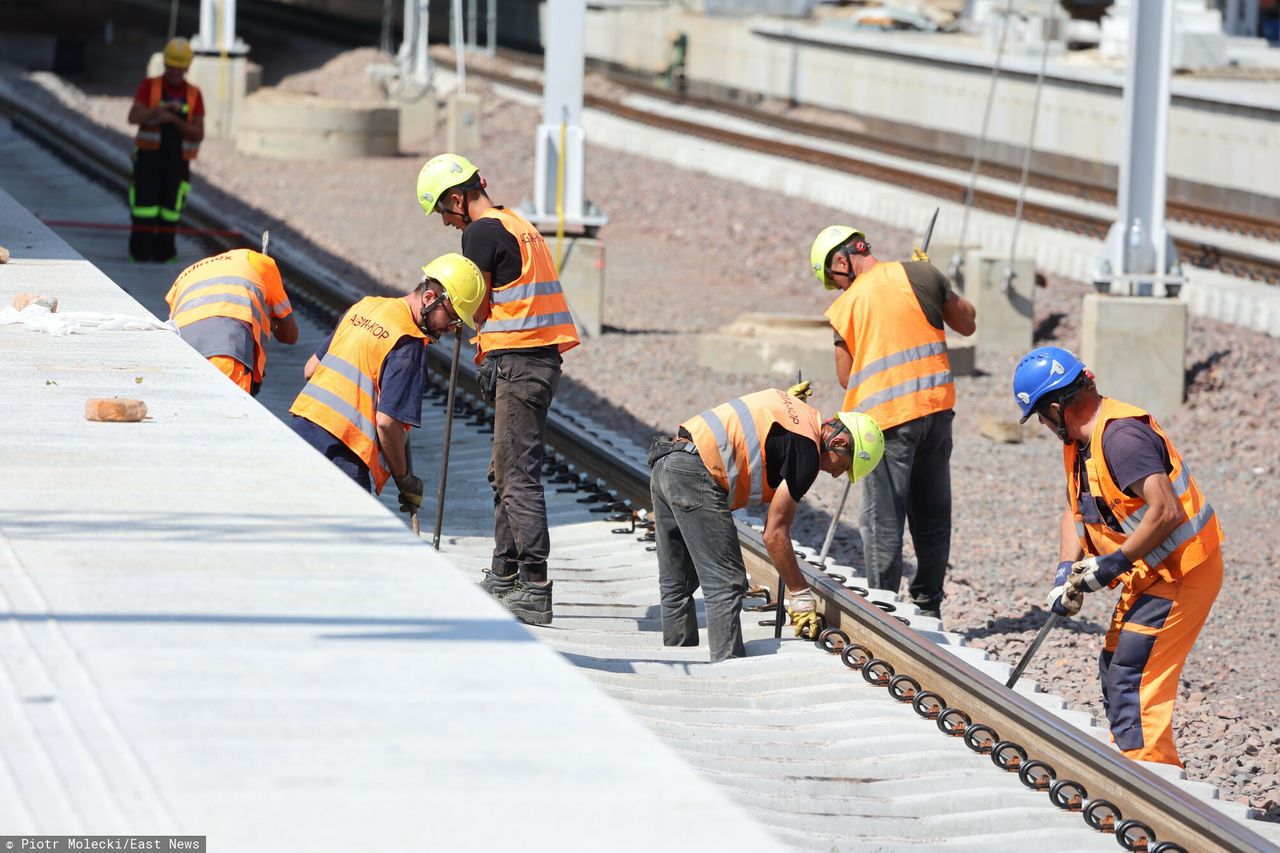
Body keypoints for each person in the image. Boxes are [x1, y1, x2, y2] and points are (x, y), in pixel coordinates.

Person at [1014, 346, 1223, 767]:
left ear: (1056, 408)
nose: (1043, 424)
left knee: (1134, 676)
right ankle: (1136, 765)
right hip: (1149, 572)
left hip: (1182, 571)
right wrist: (1063, 575)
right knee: (1114, 664)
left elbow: (1165, 509)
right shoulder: (1081, 442)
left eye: (1041, 416)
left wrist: (1111, 564)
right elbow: (1075, 511)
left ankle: (1152, 791)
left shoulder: (1121, 438)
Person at [416, 153, 580, 626]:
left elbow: (475, 298)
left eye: (443, 212)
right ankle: (506, 573)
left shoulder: (481, 232)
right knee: (502, 470)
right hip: (535, 359)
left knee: (517, 476)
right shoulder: (517, 222)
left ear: (456, 198)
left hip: (522, 363)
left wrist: (477, 341)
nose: (446, 223)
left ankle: (534, 586)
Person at [810, 225, 976, 620]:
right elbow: (967, 323)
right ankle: (927, 604)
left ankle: (884, 613)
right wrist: (938, 283)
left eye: (834, 279)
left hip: (887, 422)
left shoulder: (846, 307)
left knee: (883, 521)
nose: (837, 287)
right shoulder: (922, 275)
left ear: (841, 261)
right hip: (936, 413)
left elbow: (847, 377)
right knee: (932, 514)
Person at [647, 387, 885, 662]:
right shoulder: (806, 453)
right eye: (843, 466)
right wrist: (800, 593)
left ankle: (678, 653)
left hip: (667, 461)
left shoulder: (797, 410)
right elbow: (774, 534)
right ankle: (728, 667)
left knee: (678, 578)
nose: (835, 474)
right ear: (840, 442)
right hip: (696, 474)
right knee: (726, 581)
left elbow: (766, 421)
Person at [289, 254, 485, 516]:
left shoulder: (366, 306)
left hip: (299, 432)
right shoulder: (408, 341)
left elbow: (310, 369)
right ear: (429, 299)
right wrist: (404, 479)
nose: (451, 329)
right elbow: (387, 423)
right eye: (452, 318)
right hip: (342, 453)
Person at [165, 248, 298, 395]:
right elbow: (289, 335)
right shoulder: (259, 261)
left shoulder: (185, 274)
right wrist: (268, 320)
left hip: (181, 352)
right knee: (230, 413)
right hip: (226, 352)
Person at [126, 37, 203, 263]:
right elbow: (133, 117)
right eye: (171, 67)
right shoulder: (150, 87)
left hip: (177, 163)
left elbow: (198, 133)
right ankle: (139, 254)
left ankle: (165, 254)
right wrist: (158, 109)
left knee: (171, 210)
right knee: (143, 209)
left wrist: (172, 119)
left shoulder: (193, 94)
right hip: (148, 159)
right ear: (165, 65)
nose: (175, 73)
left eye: (180, 69)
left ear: (187, 68)